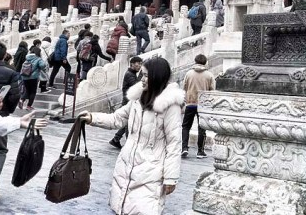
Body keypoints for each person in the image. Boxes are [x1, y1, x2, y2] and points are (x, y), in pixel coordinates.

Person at [79, 57, 184, 215]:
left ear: (157, 76)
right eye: (142, 74)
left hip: (151, 171)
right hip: (126, 165)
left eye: (146, 75)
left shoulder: (170, 106)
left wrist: (171, 177)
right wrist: (92, 118)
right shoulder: (137, 99)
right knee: (121, 208)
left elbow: (174, 143)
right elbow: (117, 119)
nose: (143, 79)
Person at [0, 42, 22, 200]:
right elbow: (15, 96)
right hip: (1, 117)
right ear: (5, 55)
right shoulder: (11, 72)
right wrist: (7, 111)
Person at [181, 54, 214, 158]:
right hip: (203, 105)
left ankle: (184, 148)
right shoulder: (209, 75)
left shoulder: (189, 73)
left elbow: (184, 88)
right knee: (202, 129)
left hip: (190, 103)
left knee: (186, 127)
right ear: (205, 62)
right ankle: (200, 151)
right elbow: (212, 91)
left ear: (195, 61)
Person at [109, 56, 143, 149]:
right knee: (129, 121)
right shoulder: (129, 74)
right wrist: (141, 75)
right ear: (132, 64)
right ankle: (127, 143)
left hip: (129, 101)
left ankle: (116, 139)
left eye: (141, 64)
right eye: (138, 63)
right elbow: (136, 86)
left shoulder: (132, 74)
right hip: (128, 101)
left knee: (127, 121)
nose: (140, 66)